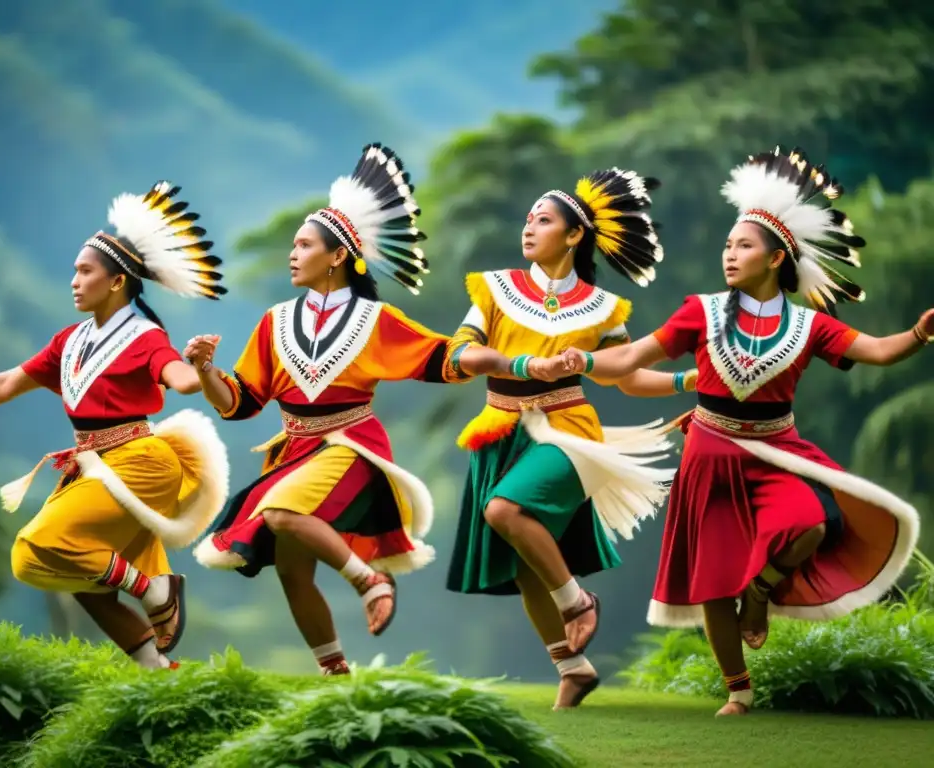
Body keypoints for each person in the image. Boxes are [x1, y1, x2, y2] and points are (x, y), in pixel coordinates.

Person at [565, 146, 926, 716]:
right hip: (709, 452)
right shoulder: (700, 312)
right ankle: (738, 689)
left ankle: (760, 589)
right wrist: (583, 363)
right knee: (711, 578)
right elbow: (633, 357)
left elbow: (878, 351)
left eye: (744, 245)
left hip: (778, 452)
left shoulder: (809, 324)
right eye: (728, 245)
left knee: (811, 522)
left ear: (777, 257)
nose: (730, 254)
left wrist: (920, 334)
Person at [186, 143, 557, 677]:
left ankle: (370, 580)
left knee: (281, 515)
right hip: (294, 449)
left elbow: (446, 355)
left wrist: (515, 362)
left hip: (349, 446)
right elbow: (240, 401)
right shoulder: (274, 321)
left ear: (337, 256)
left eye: (304, 245)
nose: (293, 254)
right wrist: (205, 372)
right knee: (292, 570)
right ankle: (335, 675)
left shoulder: (374, 320)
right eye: (293, 245)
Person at [0, 181, 231, 670]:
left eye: (85, 271)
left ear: (117, 281)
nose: (75, 281)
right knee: (63, 573)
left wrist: (202, 366)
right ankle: (160, 672)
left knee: (44, 544)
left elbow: (180, 380)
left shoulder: (144, 336)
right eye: (74, 272)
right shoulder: (70, 341)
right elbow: (7, 382)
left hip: (140, 465)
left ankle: (156, 588)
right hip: (95, 466)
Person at [443, 170, 696, 710]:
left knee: (505, 512)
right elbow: (461, 356)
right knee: (526, 556)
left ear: (575, 235)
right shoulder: (494, 288)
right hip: (501, 431)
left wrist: (686, 381)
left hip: (568, 430)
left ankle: (578, 601)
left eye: (543, 218)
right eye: (528, 218)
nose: (529, 227)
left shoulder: (604, 308)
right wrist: (523, 363)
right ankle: (572, 667)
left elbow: (624, 376)